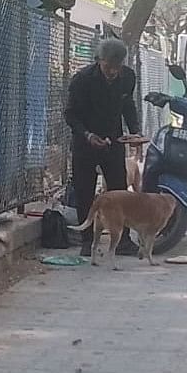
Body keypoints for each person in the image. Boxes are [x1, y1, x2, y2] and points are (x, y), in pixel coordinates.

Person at [64, 38, 141, 257]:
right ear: (99, 61)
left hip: (114, 141)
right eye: (108, 67)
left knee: (119, 191)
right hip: (85, 142)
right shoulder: (82, 80)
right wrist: (87, 135)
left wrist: (134, 131)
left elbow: (128, 105)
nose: (112, 72)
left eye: (117, 67)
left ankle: (123, 240)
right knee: (85, 191)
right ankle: (87, 241)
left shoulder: (127, 78)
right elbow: (70, 114)